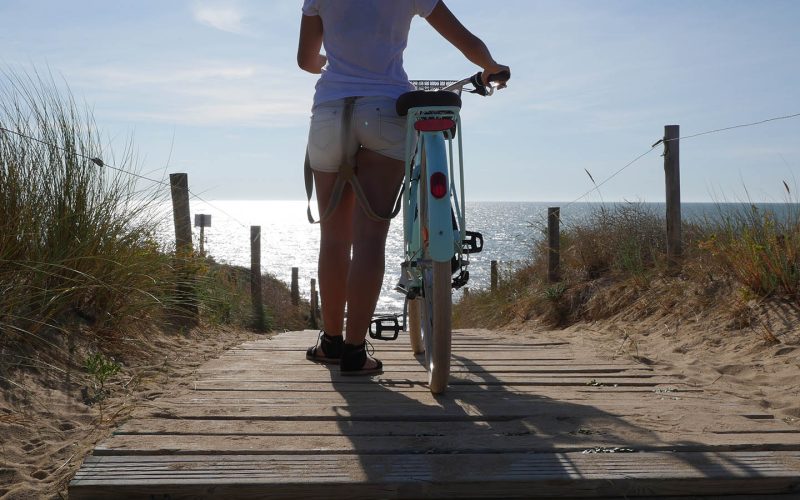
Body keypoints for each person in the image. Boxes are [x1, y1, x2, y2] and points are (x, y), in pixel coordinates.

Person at [298, 0, 509, 375]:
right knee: (369, 239)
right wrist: (492, 68)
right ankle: (353, 351)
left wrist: (326, 63)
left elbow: (305, 59)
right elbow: (467, 41)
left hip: (330, 113)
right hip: (384, 110)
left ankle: (330, 342)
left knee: (333, 239)